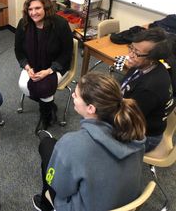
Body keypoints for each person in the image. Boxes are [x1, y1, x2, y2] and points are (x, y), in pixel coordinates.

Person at [33, 72, 146, 211]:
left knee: (46, 145)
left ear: (91, 108)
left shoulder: (72, 144)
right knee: (50, 145)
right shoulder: (134, 130)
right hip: (126, 203)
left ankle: (45, 205)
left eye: (76, 94)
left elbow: (61, 189)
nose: (73, 95)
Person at [14, 0, 73, 134]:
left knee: (44, 89)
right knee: (23, 85)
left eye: (37, 8)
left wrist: (49, 71)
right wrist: (28, 68)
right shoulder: (24, 23)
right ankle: (49, 106)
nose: (33, 13)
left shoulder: (60, 24)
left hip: (56, 66)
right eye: (30, 9)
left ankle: (45, 116)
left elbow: (66, 54)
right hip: (33, 65)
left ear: (46, 8)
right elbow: (19, 51)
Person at [122, 27, 175, 151]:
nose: (130, 55)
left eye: (136, 53)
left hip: (144, 136)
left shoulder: (149, 88)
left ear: (152, 58)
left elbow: (126, 120)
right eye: (131, 48)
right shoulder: (143, 64)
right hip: (134, 115)